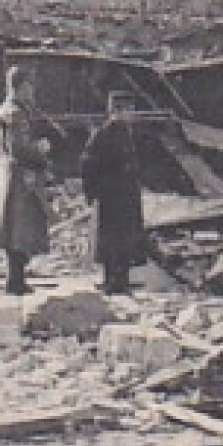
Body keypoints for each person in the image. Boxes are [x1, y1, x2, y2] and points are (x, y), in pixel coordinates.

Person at [80, 91, 147, 296]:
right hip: (113, 196)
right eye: (128, 110)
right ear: (117, 110)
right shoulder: (105, 134)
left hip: (125, 195)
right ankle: (112, 282)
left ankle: (121, 280)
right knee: (113, 240)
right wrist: (94, 191)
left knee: (124, 240)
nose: (132, 114)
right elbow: (88, 164)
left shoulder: (124, 132)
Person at [0, 66, 53, 295]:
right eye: (29, 85)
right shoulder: (15, 113)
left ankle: (17, 278)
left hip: (16, 175)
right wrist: (40, 150)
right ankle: (14, 280)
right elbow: (19, 147)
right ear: (19, 87)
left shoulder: (16, 110)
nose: (32, 91)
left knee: (18, 228)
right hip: (20, 178)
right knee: (19, 229)